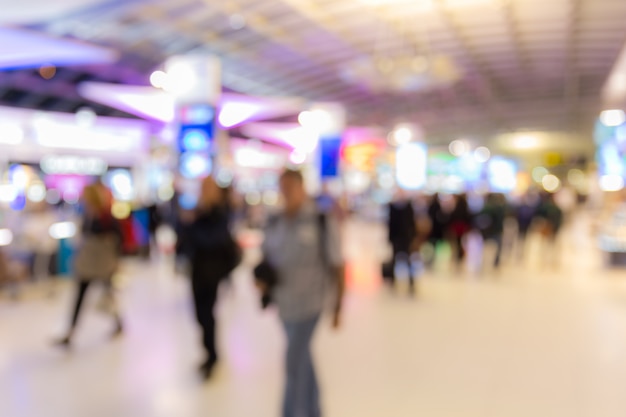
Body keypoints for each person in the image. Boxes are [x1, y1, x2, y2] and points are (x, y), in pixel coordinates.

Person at [259, 169, 344, 417]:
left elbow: (336, 264)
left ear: (301, 187)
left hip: (311, 304)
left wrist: (339, 305)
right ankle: (315, 410)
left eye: (290, 188)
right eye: (282, 188)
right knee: (303, 358)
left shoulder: (319, 219)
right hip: (284, 303)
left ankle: (289, 412)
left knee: (293, 362)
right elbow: (266, 258)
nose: (286, 194)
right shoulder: (274, 220)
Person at [178, 176, 238, 380]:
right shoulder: (197, 211)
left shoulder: (220, 212)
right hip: (197, 269)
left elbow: (214, 239)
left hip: (212, 271)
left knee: (207, 314)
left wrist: (192, 227)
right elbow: (185, 238)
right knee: (199, 314)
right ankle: (208, 352)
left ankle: (212, 355)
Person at [55, 184, 123, 348]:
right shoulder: (88, 215)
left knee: (108, 295)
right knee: (81, 295)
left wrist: (115, 262)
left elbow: (117, 241)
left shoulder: (106, 216)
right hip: (89, 263)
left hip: (103, 263)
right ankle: (71, 332)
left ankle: (119, 322)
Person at [387, 193, 418, 294]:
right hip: (397, 238)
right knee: (394, 260)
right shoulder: (393, 207)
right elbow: (390, 224)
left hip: (406, 238)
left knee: (408, 260)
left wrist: (413, 237)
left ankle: (411, 282)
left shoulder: (408, 208)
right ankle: (392, 280)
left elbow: (412, 224)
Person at [476, 193, 507, 269]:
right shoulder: (498, 208)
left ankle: (482, 261)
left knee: (483, 247)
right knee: (498, 248)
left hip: (487, 231)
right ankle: (495, 262)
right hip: (494, 230)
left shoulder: (485, 207)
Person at [448, 193, 472, 269]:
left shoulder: (457, 207)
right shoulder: (465, 207)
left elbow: (452, 217)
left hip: (457, 227)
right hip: (463, 227)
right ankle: (460, 256)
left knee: (458, 243)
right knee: (462, 242)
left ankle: (458, 256)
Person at [426, 193, 449, 268]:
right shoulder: (437, 206)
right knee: (434, 244)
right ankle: (432, 258)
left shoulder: (432, 206)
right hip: (436, 229)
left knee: (432, 244)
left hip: (433, 229)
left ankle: (431, 258)